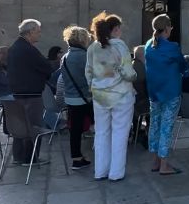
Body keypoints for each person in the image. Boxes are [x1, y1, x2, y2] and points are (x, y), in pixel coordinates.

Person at [85, 12, 137, 182]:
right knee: (120, 133)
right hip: (120, 94)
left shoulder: (93, 47)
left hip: (100, 95)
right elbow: (128, 73)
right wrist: (134, 75)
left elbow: (88, 72)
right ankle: (116, 172)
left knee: (101, 133)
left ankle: (100, 171)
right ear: (115, 29)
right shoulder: (119, 45)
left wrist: (94, 86)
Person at [6, 19, 54, 165]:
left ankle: (19, 157)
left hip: (18, 93)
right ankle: (31, 158)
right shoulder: (28, 49)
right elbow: (46, 67)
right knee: (33, 127)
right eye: (38, 31)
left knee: (20, 127)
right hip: (31, 95)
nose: (39, 34)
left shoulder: (16, 46)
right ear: (31, 31)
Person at [145, 14, 185, 175]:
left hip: (154, 92)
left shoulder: (149, 45)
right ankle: (164, 165)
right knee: (166, 128)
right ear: (167, 28)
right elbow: (182, 66)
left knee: (154, 125)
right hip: (171, 92)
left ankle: (155, 161)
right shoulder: (172, 47)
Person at [58, 26, 93, 170]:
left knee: (75, 129)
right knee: (100, 125)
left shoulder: (65, 57)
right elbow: (90, 77)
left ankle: (76, 157)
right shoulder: (84, 56)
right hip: (84, 97)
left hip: (71, 97)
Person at [132, 45, 150, 146]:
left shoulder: (132, 65)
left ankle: (137, 132)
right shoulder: (142, 69)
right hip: (140, 104)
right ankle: (150, 135)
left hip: (133, 103)